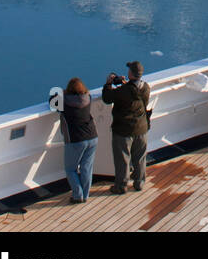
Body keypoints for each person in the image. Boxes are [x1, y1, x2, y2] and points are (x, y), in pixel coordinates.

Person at [102, 61, 150, 194]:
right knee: (140, 157)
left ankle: (121, 186)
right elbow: (139, 100)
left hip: (123, 130)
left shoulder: (123, 91)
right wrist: (126, 84)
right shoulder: (146, 87)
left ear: (130, 73)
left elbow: (107, 98)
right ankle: (139, 182)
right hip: (141, 128)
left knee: (123, 159)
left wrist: (108, 83)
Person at [54, 78, 98, 204]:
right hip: (92, 137)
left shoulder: (65, 103)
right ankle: (85, 195)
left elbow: (53, 103)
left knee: (70, 169)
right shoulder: (88, 98)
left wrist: (60, 92)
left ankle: (78, 195)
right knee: (86, 168)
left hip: (75, 139)